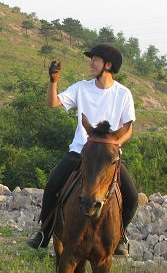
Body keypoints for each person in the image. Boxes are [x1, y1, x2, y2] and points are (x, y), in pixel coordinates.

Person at [27, 44, 139, 256]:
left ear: (108, 65)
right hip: (80, 151)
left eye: (95, 60)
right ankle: (44, 231)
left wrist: (114, 146)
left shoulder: (123, 94)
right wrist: (53, 81)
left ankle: (120, 236)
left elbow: (128, 129)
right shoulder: (81, 88)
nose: (91, 63)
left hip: (107, 157)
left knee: (132, 197)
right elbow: (52, 103)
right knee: (53, 183)